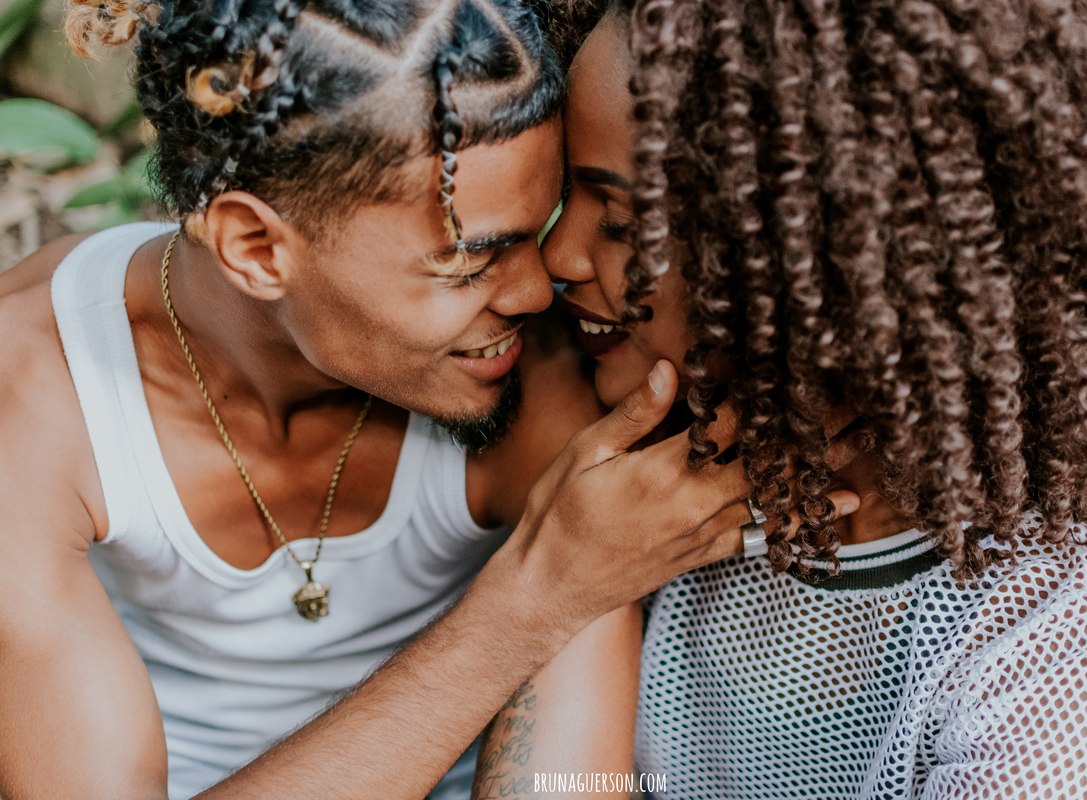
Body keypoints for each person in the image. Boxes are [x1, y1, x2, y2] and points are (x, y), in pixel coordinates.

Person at [0, 1, 869, 798]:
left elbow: (570, 792)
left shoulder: (549, 376)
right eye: (469, 262)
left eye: (542, 227)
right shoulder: (36, 399)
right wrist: (537, 595)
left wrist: (566, 588)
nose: (539, 292)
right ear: (257, 248)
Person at [472, 1, 1087, 798]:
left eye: (618, 219)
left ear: (846, 277)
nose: (557, 256)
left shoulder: (1072, 640)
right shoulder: (626, 471)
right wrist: (569, 578)